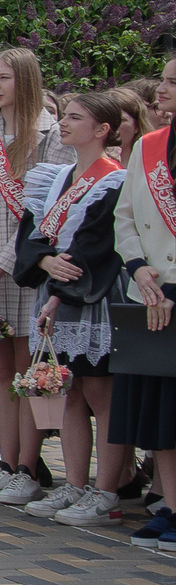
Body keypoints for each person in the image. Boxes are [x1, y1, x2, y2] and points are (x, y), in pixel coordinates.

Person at [0, 48, 68, 505]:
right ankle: (3, 463)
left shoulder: (50, 135)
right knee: (1, 369)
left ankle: (27, 465)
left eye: (4, 77)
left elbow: (38, 213)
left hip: (25, 267)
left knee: (28, 368)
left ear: (27, 80)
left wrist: (1, 265)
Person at [18, 89, 130, 526]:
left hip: (92, 294)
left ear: (102, 130)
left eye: (76, 118)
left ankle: (107, 492)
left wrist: (61, 290)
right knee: (71, 395)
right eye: (64, 115)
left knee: (101, 393)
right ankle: (75, 483)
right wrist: (44, 260)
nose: (64, 123)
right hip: (56, 292)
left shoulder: (113, 178)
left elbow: (99, 244)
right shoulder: (54, 176)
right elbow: (31, 237)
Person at [110, 94, 176, 548]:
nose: (161, 93)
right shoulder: (150, 145)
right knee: (162, 416)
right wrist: (137, 265)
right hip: (151, 295)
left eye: (173, 82)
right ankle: (172, 506)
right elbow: (125, 216)